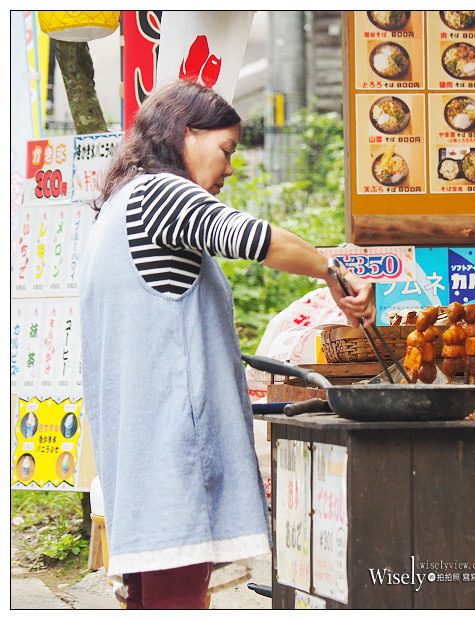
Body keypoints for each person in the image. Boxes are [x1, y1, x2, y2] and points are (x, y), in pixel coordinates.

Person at [79, 79, 375, 609]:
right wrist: (333, 271)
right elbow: (256, 239)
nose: (231, 167)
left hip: (139, 448)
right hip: (172, 450)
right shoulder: (159, 195)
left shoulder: (118, 207)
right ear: (186, 133)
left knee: (152, 599)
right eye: (227, 149)